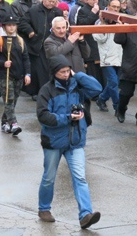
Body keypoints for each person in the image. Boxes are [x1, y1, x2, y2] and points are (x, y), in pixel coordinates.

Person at [36, 54, 102, 229]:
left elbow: (97, 89)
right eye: (62, 72)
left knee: (80, 177)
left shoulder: (77, 85)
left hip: (75, 140)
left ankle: (85, 214)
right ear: (54, 73)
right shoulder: (46, 91)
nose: (66, 75)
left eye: (67, 71)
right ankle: (44, 208)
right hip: (54, 142)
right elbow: (43, 116)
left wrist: (78, 75)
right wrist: (67, 117)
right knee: (49, 178)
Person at [18, 0, 63, 100]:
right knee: (39, 70)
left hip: (52, 44)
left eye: (54, 2)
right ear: (44, 0)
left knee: (50, 68)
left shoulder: (57, 12)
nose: (51, 4)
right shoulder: (34, 11)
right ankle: (37, 92)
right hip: (37, 44)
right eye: (50, 1)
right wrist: (30, 31)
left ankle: (51, 91)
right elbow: (22, 22)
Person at [0, 15, 31, 135]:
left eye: (13, 25)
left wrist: (27, 74)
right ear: (4, 27)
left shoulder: (20, 40)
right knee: (9, 99)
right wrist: (3, 63)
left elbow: (26, 59)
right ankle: (14, 124)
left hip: (18, 75)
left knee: (13, 102)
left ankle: (4, 122)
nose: (11, 28)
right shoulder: (0, 40)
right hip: (5, 75)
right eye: (9, 25)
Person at [92, 0, 123, 113]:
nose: (115, 9)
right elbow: (100, 38)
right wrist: (103, 24)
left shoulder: (122, 21)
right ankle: (117, 106)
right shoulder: (99, 22)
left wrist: (121, 28)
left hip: (119, 56)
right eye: (113, 6)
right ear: (108, 6)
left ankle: (102, 99)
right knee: (113, 83)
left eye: (117, 7)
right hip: (107, 57)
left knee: (114, 83)